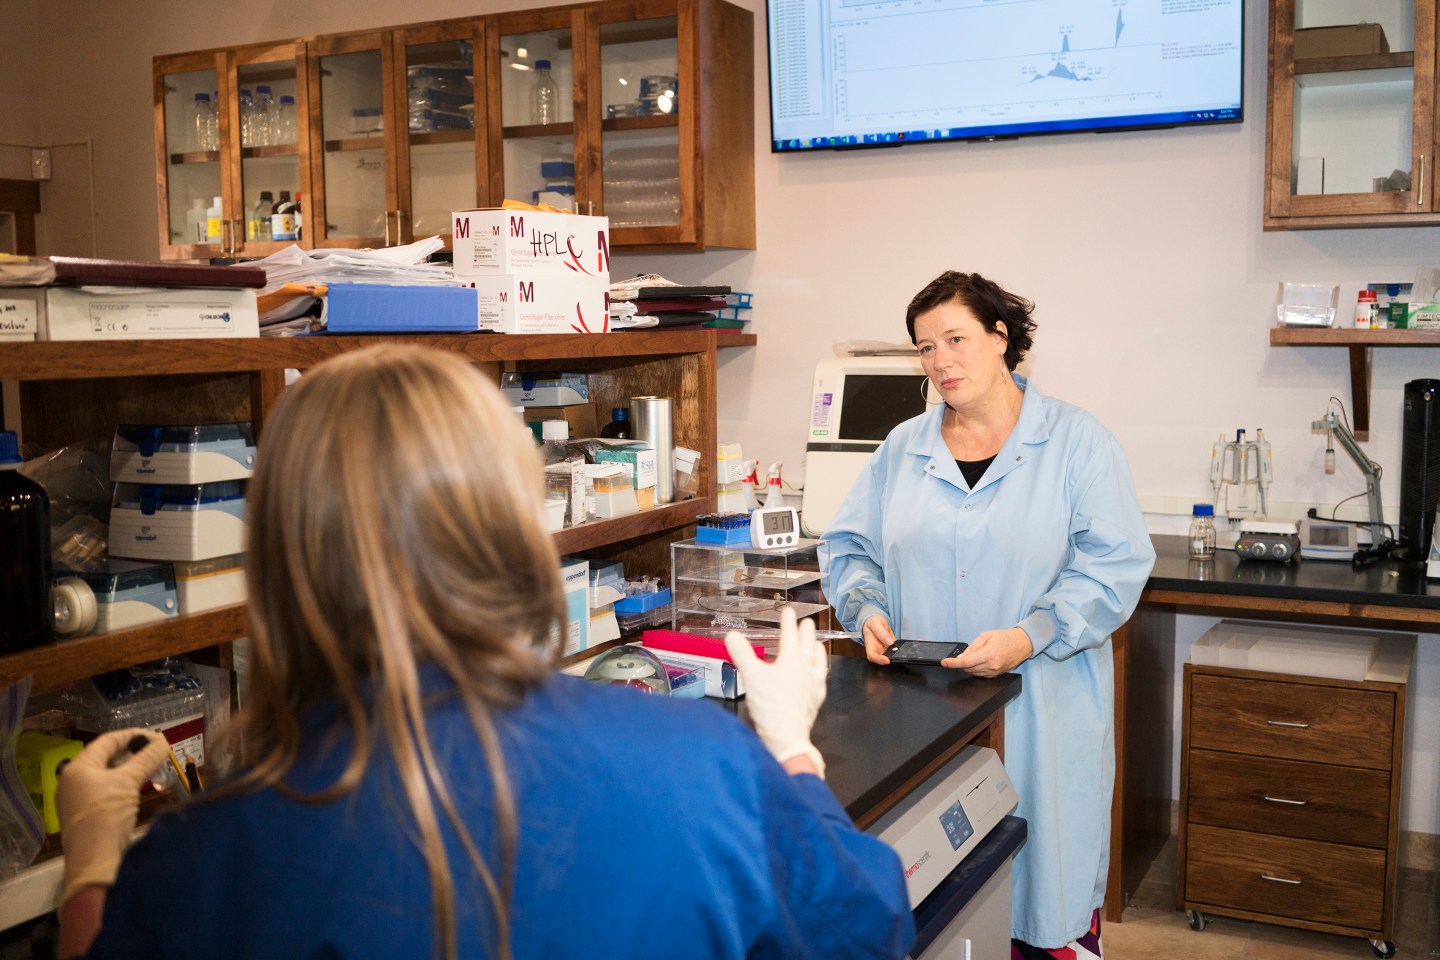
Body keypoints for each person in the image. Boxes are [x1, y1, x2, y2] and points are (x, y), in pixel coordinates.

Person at [56, 345, 915, 960]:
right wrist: (794, 749)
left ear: (282, 555)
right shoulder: (698, 764)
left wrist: (91, 866)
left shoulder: (201, 862)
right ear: (516, 527)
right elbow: (865, 925)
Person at [823, 272, 1155, 959]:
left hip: (1044, 709)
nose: (940, 361)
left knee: (1045, 901)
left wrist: (1030, 635)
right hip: (925, 720)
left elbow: (1114, 565)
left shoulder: (1077, 443)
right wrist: (865, 609)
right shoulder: (902, 449)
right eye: (924, 347)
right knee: (944, 905)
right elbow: (849, 549)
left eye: (956, 339)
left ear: (1001, 338)